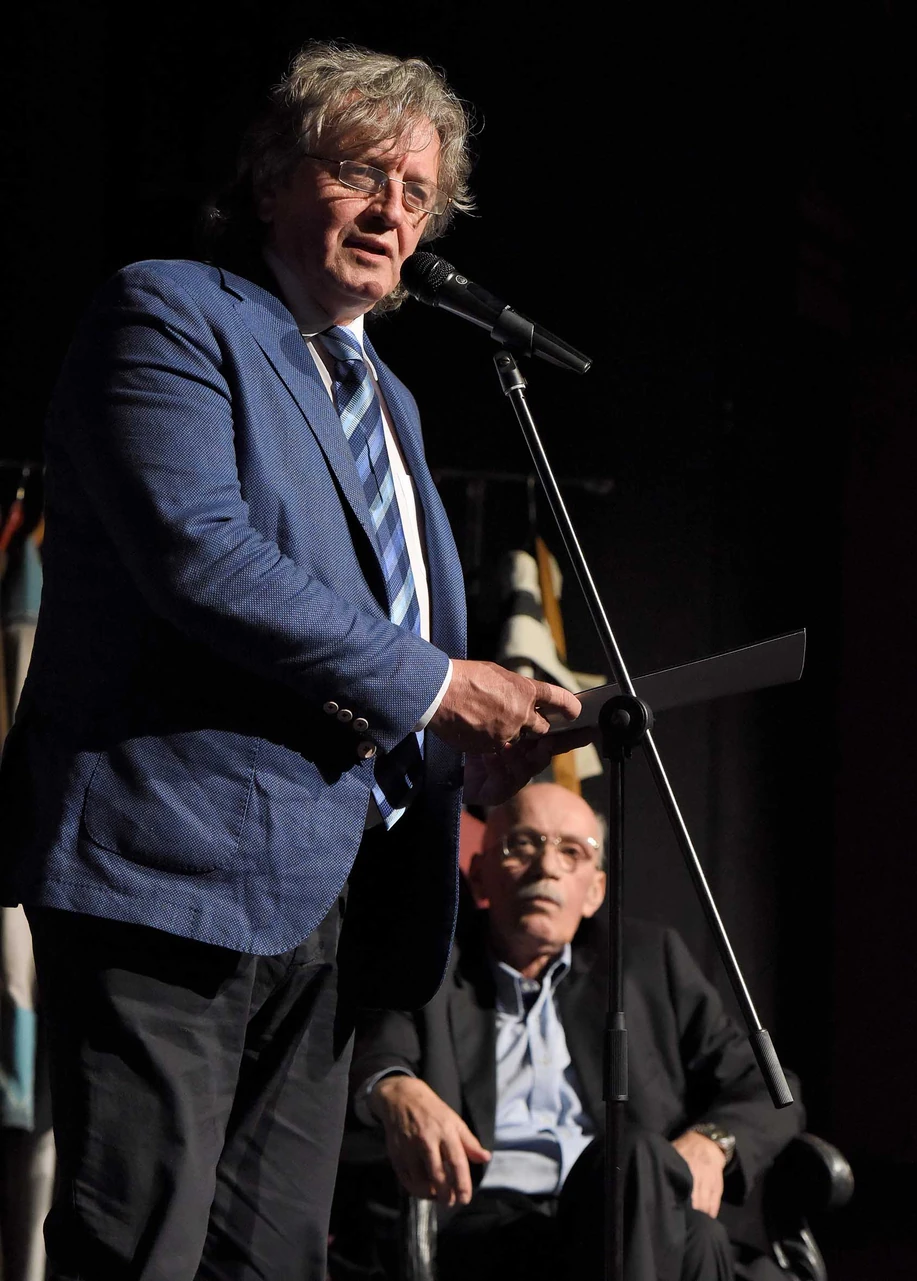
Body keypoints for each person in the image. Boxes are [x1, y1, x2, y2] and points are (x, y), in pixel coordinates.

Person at [0, 42, 586, 1281]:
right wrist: (443, 689)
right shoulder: (169, 311)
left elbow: (388, 633)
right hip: (172, 870)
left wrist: (462, 749)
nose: (391, 211)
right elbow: (201, 556)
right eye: (360, 173)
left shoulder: (390, 400)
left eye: (416, 193)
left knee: (271, 1264)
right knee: (138, 1247)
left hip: (337, 898)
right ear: (269, 181)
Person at [344, 782, 805, 1281]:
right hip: (493, 1230)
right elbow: (376, 1050)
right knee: (694, 1236)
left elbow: (769, 1086)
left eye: (571, 852)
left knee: (646, 1173)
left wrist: (713, 1142)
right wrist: (394, 1087)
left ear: (595, 892)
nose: (547, 867)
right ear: (479, 875)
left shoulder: (649, 964)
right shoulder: (433, 965)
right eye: (522, 844)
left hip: (634, 1207)